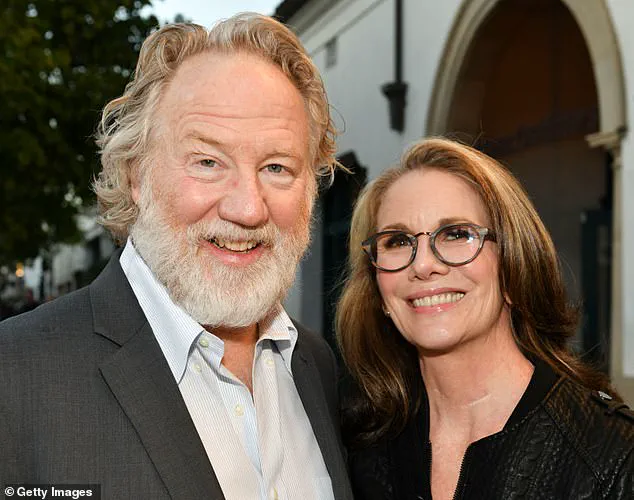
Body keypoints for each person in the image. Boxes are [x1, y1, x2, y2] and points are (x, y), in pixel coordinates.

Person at [0, 14, 353, 500]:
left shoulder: (318, 367)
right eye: (208, 162)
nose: (248, 209)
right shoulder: (15, 374)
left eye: (277, 167)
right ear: (136, 175)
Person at [336, 137, 634, 499]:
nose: (424, 265)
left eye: (456, 234)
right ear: (378, 287)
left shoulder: (612, 457)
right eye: (397, 241)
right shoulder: (358, 444)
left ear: (512, 267)